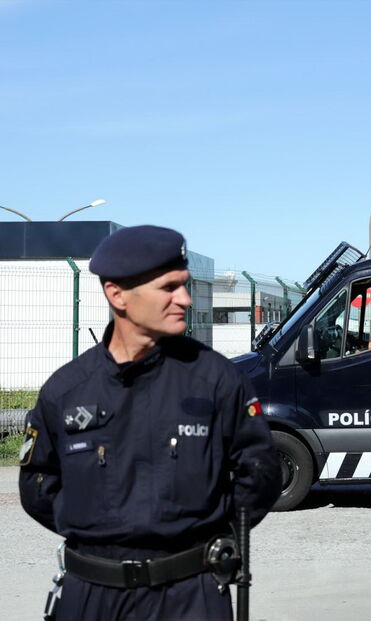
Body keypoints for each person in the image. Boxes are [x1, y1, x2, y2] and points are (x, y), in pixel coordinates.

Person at [18, 225, 281, 621]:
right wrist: (95, 528)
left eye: (184, 285)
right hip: (91, 595)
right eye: (168, 288)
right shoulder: (66, 390)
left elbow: (260, 473)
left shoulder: (217, 381)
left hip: (190, 594)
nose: (185, 299)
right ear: (117, 294)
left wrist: (200, 529)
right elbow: (37, 483)